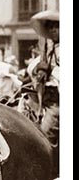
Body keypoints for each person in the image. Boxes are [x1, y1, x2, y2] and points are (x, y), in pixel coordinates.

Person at [28, 10, 59, 157]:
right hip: (46, 96)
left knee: (44, 136)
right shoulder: (50, 48)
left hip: (58, 100)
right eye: (50, 27)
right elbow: (34, 68)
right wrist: (40, 71)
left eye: (56, 26)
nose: (53, 30)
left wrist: (50, 69)